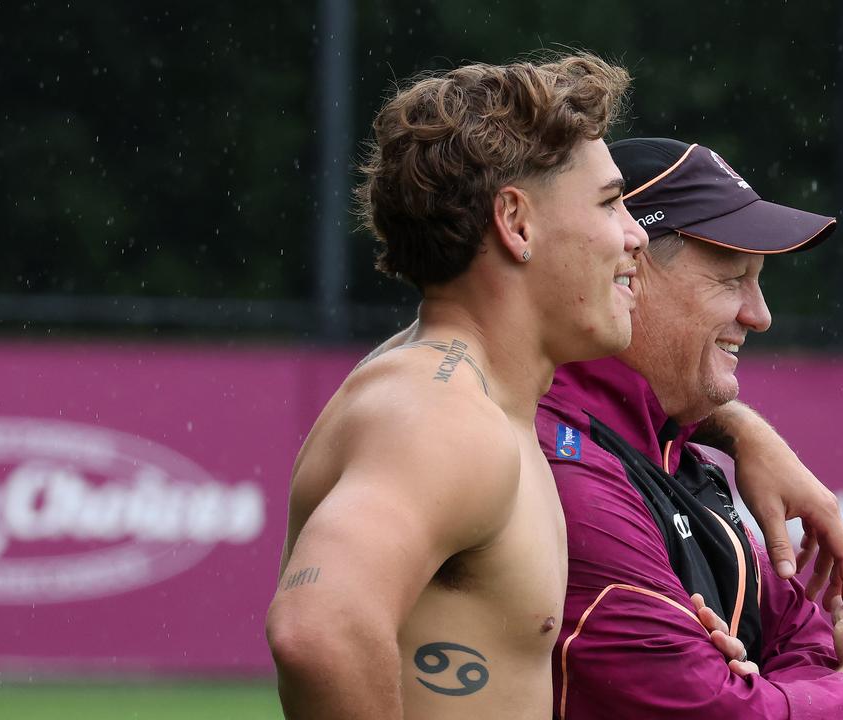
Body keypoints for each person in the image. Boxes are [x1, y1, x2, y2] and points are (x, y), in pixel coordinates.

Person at [264, 54, 646, 720]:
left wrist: (744, 437)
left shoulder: (478, 391)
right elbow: (318, 630)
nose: (635, 235)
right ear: (517, 224)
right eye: (612, 204)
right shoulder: (441, 414)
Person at [537, 138, 843, 719]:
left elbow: (804, 634)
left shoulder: (670, 449)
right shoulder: (568, 470)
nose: (759, 314)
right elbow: (714, 713)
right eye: (730, 278)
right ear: (626, 270)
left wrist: (765, 690)